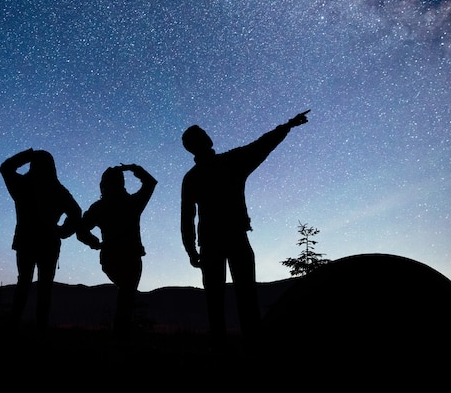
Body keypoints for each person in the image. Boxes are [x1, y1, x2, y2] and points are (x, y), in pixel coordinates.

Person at [180, 110, 310, 348]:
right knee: (245, 295)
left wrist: (191, 249)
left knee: (216, 298)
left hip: (210, 242)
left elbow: (187, 218)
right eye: (202, 135)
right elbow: (261, 145)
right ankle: (253, 346)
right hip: (233, 237)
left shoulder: (194, 177)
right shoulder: (229, 163)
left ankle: (222, 348)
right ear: (203, 142)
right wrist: (287, 126)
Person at [0, 148, 98, 330]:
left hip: (26, 240)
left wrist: (28, 154)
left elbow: (5, 168)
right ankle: (41, 329)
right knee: (45, 287)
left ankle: (14, 326)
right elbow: (76, 212)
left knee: (24, 283)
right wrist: (63, 231)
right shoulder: (57, 189)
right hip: (49, 242)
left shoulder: (23, 186)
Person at [77, 163, 157, 337]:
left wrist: (95, 243)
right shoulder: (132, 203)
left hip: (111, 257)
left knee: (126, 295)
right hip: (131, 256)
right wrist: (134, 168)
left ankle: (120, 335)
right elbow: (150, 183)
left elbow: (81, 231)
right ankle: (122, 335)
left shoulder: (99, 207)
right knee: (127, 296)